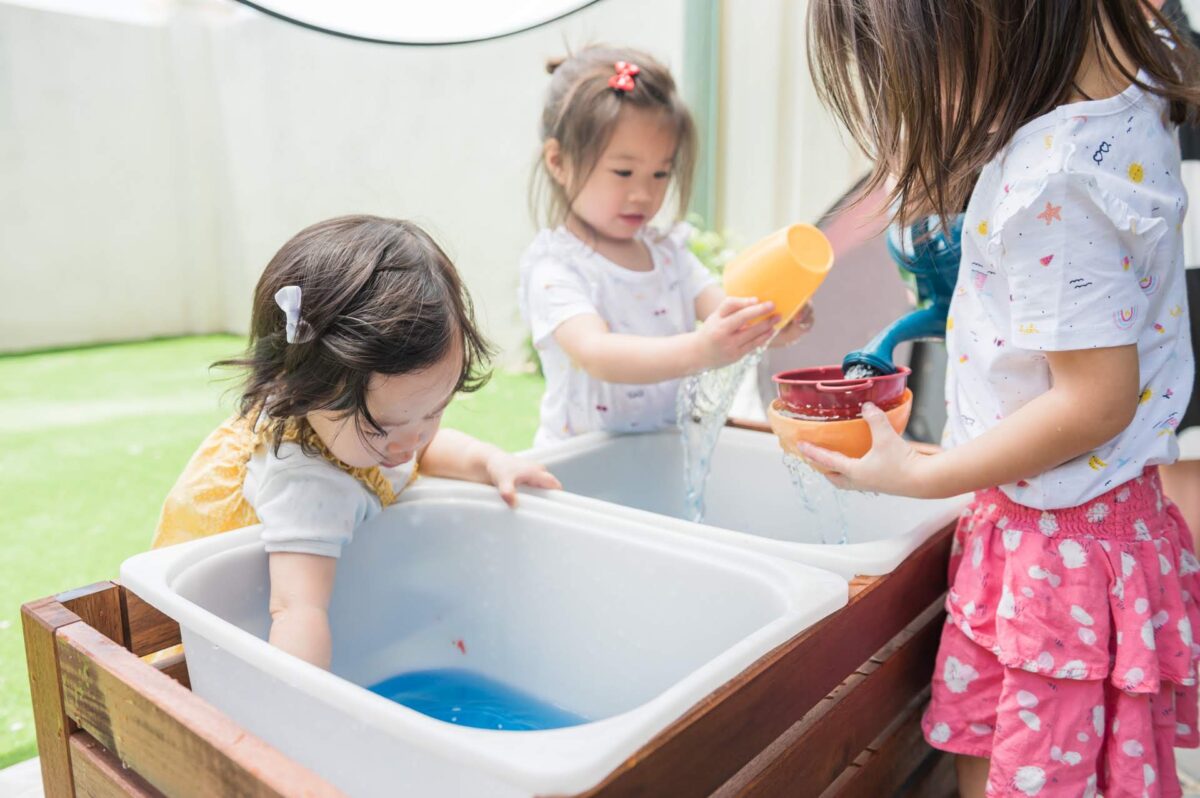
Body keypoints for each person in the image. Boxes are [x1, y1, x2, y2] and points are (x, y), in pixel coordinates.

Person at [804, 2, 1200, 794]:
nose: (933, 106)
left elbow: (1094, 404)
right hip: (1091, 528)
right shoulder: (1135, 90)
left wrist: (918, 474)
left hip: (1055, 552)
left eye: (927, 77)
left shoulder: (1053, 182)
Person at [153, 216, 560, 668]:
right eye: (383, 425)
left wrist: (488, 462)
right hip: (204, 641)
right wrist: (309, 709)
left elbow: (421, 449)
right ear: (300, 387)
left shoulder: (365, 428)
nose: (412, 440)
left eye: (434, 410)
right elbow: (295, 611)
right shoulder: (305, 483)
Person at [519, 45, 813, 447]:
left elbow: (730, 315)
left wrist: (773, 321)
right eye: (623, 172)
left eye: (660, 173)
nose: (643, 193)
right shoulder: (557, 268)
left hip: (662, 451)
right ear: (558, 162)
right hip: (579, 468)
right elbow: (597, 353)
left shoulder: (669, 255)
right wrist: (700, 349)